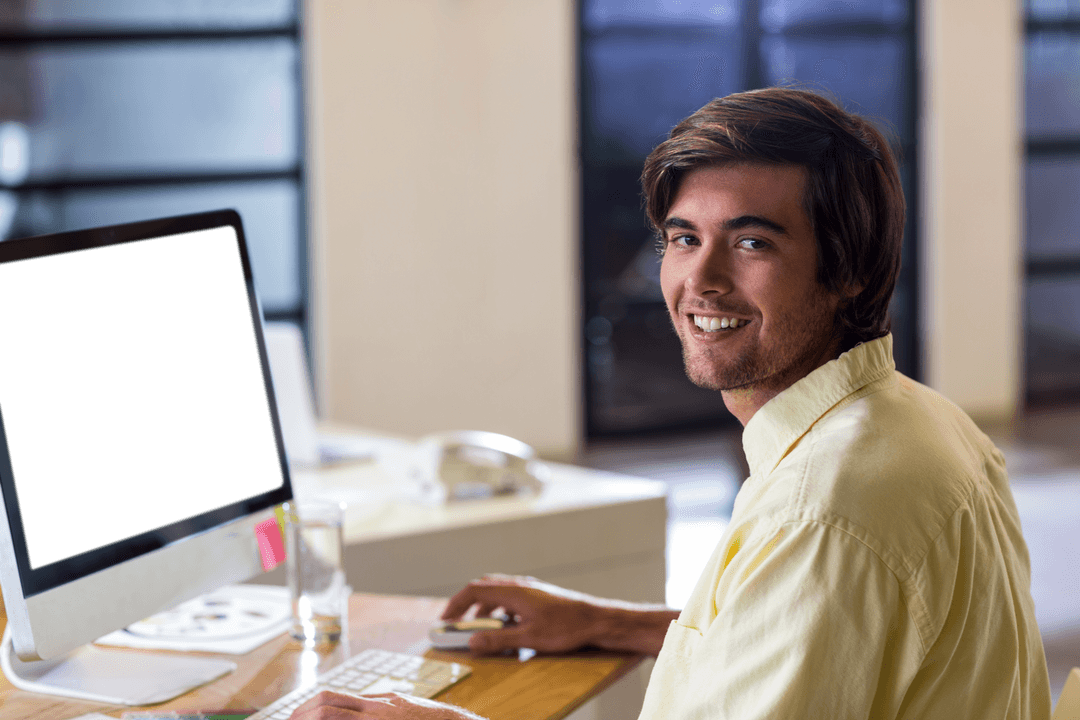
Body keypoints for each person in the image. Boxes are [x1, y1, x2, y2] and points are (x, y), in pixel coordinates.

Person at [290, 87, 1052, 719]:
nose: (703, 281)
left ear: (848, 268)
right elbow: (799, 636)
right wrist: (605, 623)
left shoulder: (825, 510)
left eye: (753, 243)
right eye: (684, 238)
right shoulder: (916, 418)